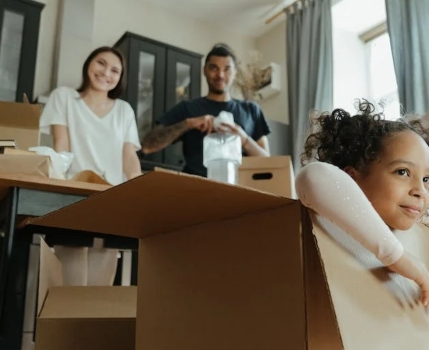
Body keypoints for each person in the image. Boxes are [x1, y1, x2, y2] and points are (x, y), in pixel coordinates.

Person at [295, 101, 429, 318]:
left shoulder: (417, 213)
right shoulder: (326, 203)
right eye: (402, 172)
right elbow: (313, 176)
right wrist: (396, 257)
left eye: (426, 179)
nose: (420, 190)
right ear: (352, 176)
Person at [38, 46, 142, 286]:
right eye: (101, 63)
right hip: (73, 196)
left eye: (115, 70)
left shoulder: (124, 110)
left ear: (120, 78)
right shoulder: (64, 97)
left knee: (99, 283)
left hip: (112, 197)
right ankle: (63, 323)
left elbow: (128, 155)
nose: (106, 72)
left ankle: (89, 324)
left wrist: (138, 183)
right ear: (88, 64)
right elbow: (61, 146)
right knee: (70, 276)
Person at [141, 43, 272, 177]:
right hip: (195, 190)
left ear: (235, 73)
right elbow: (147, 145)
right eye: (214, 68)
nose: (220, 75)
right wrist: (188, 124)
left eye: (227, 69)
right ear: (205, 70)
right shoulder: (187, 108)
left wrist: (243, 138)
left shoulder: (251, 110)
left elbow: (268, 164)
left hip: (239, 190)